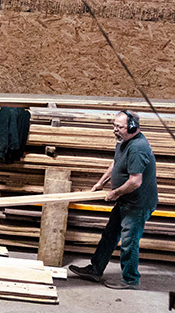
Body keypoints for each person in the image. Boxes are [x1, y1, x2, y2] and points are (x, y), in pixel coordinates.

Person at [68, 110, 159, 290]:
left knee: (129, 242)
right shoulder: (123, 141)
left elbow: (135, 181)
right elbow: (115, 163)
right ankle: (95, 270)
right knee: (110, 235)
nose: (115, 130)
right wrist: (100, 183)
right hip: (126, 200)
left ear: (132, 127)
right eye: (114, 125)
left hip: (137, 203)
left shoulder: (137, 147)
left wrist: (115, 193)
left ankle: (130, 280)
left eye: (119, 127)